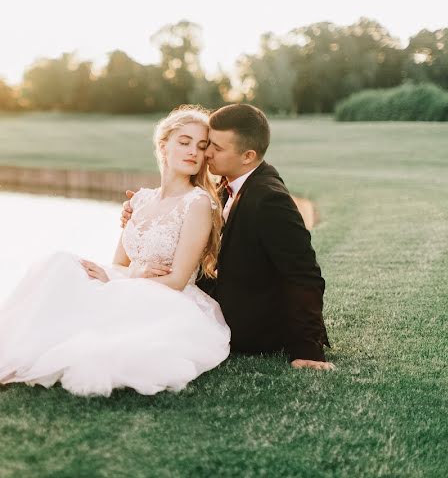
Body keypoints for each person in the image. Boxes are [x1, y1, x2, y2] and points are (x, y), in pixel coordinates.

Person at [0, 106, 230, 398]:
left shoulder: (197, 203)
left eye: (202, 146)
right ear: (163, 147)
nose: (194, 152)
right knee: (59, 265)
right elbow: (119, 263)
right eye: (185, 142)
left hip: (166, 300)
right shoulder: (141, 200)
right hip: (128, 283)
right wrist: (117, 277)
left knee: (86, 335)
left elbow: (176, 281)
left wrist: (121, 282)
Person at [121, 104, 333, 370]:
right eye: (207, 144)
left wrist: (308, 349)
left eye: (215, 148)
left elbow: (304, 274)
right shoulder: (225, 187)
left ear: (247, 156)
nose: (206, 153)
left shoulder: (269, 199)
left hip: (254, 329)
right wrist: (144, 214)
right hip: (207, 300)